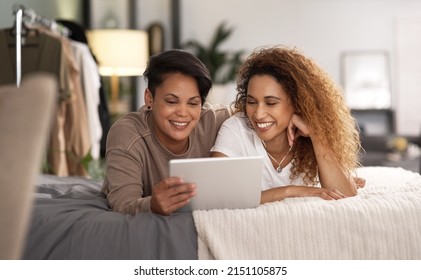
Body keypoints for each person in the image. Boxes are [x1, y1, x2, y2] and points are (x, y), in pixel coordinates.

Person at [211, 46, 364, 204]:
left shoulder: (310, 136)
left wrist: (316, 135)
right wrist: (290, 191)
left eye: (271, 103)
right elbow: (216, 196)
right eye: (251, 102)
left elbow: (346, 197)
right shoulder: (235, 130)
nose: (258, 114)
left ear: (298, 103)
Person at [102, 49, 231, 215]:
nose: (183, 113)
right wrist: (152, 205)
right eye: (171, 101)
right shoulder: (126, 134)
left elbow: (257, 108)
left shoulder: (214, 120)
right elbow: (123, 204)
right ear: (149, 98)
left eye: (193, 104)